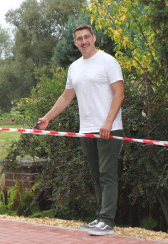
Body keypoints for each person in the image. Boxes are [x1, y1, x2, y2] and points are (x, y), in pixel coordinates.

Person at [36, 24, 125, 236]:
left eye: (87, 37)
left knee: (107, 175)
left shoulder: (108, 61)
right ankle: (100, 218)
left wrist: (108, 122)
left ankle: (107, 221)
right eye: (79, 39)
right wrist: (47, 118)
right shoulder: (74, 67)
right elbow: (66, 97)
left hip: (109, 130)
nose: (83, 41)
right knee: (96, 176)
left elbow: (119, 93)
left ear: (94, 38)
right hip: (86, 130)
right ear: (75, 42)